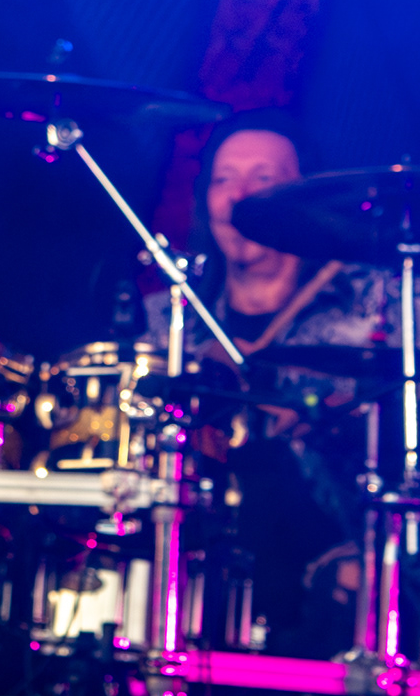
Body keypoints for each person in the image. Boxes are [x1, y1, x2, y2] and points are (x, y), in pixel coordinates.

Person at [148, 110, 394, 657]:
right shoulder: (166, 324)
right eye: (223, 179)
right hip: (192, 547)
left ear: (306, 196)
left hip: (337, 547)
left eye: (263, 178)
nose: (239, 197)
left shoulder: (378, 307)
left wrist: (336, 415)